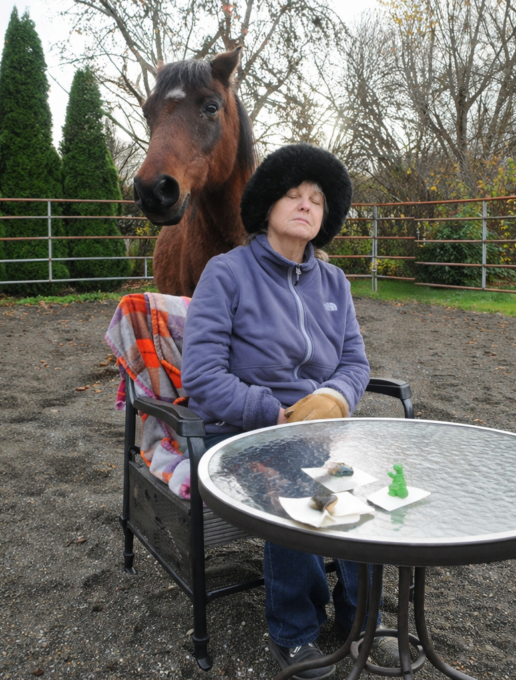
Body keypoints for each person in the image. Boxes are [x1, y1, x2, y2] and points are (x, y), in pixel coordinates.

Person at [183, 144, 389, 679]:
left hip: (319, 431)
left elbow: (354, 362)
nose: (305, 204)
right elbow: (202, 379)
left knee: (367, 489)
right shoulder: (225, 274)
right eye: (293, 194)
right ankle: (294, 633)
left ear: (327, 217)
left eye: (317, 199)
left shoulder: (335, 282)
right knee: (295, 486)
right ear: (267, 207)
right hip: (242, 433)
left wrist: (335, 399)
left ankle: (358, 618)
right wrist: (274, 415)